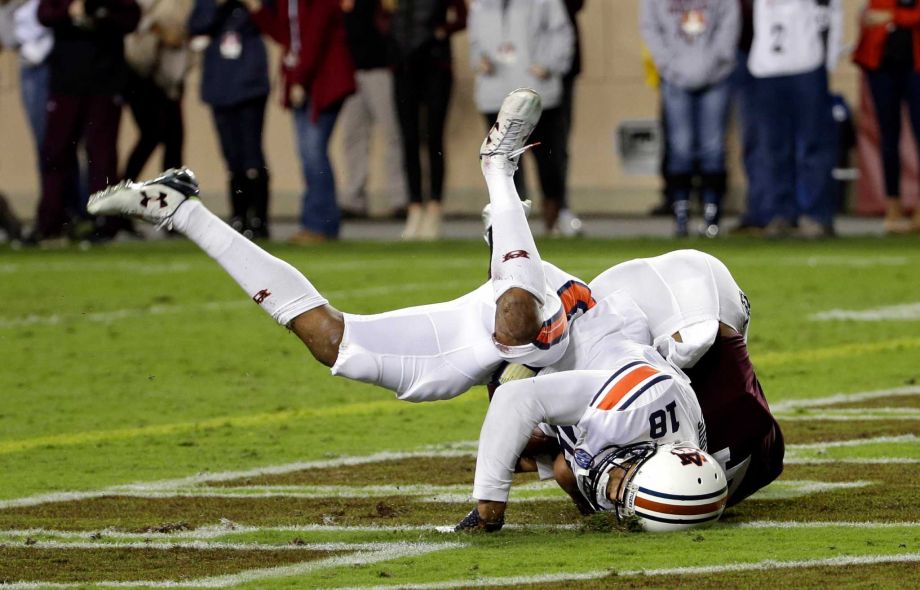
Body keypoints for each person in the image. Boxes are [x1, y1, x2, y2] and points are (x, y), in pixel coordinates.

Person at [88, 89, 781, 529]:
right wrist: (490, 509)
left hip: (523, 351)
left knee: (336, 344)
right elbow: (524, 408)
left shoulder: (627, 474)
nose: (618, 484)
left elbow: (564, 459)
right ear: (658, 454)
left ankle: (182, 208)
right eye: (631, 480)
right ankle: (499, 170)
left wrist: (562, 470)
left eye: (628, 493)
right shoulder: (646, 408)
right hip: (578, 319)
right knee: (517, 332)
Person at [244, 0, 356, 244]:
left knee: (313, 153)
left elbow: (315, 36)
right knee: (309, 155)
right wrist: (258, 11)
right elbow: (283, 36)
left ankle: (317, 224)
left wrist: (299, 79)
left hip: (323, 81)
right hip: (304, 80)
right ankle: (324, 223)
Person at [30, 0, 141, 244]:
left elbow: (131, 18)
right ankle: (51, 222)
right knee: (56, 153)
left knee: (101, 157)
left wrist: (98, 13)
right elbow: (44, 14)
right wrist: (68, 11)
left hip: (104, 81)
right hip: (66, 83)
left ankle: (105, 221)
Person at [468, 0, 579, 235]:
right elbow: (475, 42)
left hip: (537, 92)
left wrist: (549, 65)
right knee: (501, 164)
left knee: (548, 160)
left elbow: (562, 33)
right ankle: (512, 226)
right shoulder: (481, 5)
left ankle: (555, 217)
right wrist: (480, 62)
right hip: (495, 93)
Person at [641, 0, 740, 238]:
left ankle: (712, 216)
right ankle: (681, 216)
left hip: (716, 76)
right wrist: (668, 64)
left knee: (713, 147)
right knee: (680, 147)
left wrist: (714, 61)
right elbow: (650, 27)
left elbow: (729, 23)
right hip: (674, 77)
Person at [748, 0, 842, 239]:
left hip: (806, 65)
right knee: (773, 148)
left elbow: (832, 12)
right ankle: (781, 213)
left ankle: (816, 214)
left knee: (814, 145)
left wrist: (827, 61)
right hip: (767, 68)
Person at [188, 0, 271, 239]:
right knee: (231, 156)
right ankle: (239, 214)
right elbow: (196, 26)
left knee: (252, 154)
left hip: (249, 85)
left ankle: (258, 218)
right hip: (220, 86)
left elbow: (272, 24)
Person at [391, 0, 466, 240]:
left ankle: (434, 207)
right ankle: (415, 207)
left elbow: (462, 16)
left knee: (434, 137)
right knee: (408, 139)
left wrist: (441, 31)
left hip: (435, 64)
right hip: (403, 66)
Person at [337, 0, 408, 220]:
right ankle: (354, 199)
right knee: (353, 137)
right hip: (350, 71)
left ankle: (400, 199)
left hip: (381, 69)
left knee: (392, 134)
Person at [853, 0, 920, 234]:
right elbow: (872, 14)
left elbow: (887, 15)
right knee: (888, 138)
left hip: (915, 64)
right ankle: (893, 205)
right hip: (882, 65)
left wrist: (892, 17)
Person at [123, 0, 191, 188]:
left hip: (169, 77)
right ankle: (123, 191)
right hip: (139, 76)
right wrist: (156, 29)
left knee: (174, 138)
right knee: (152, 134)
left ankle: (172, 198)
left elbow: (180, 31)